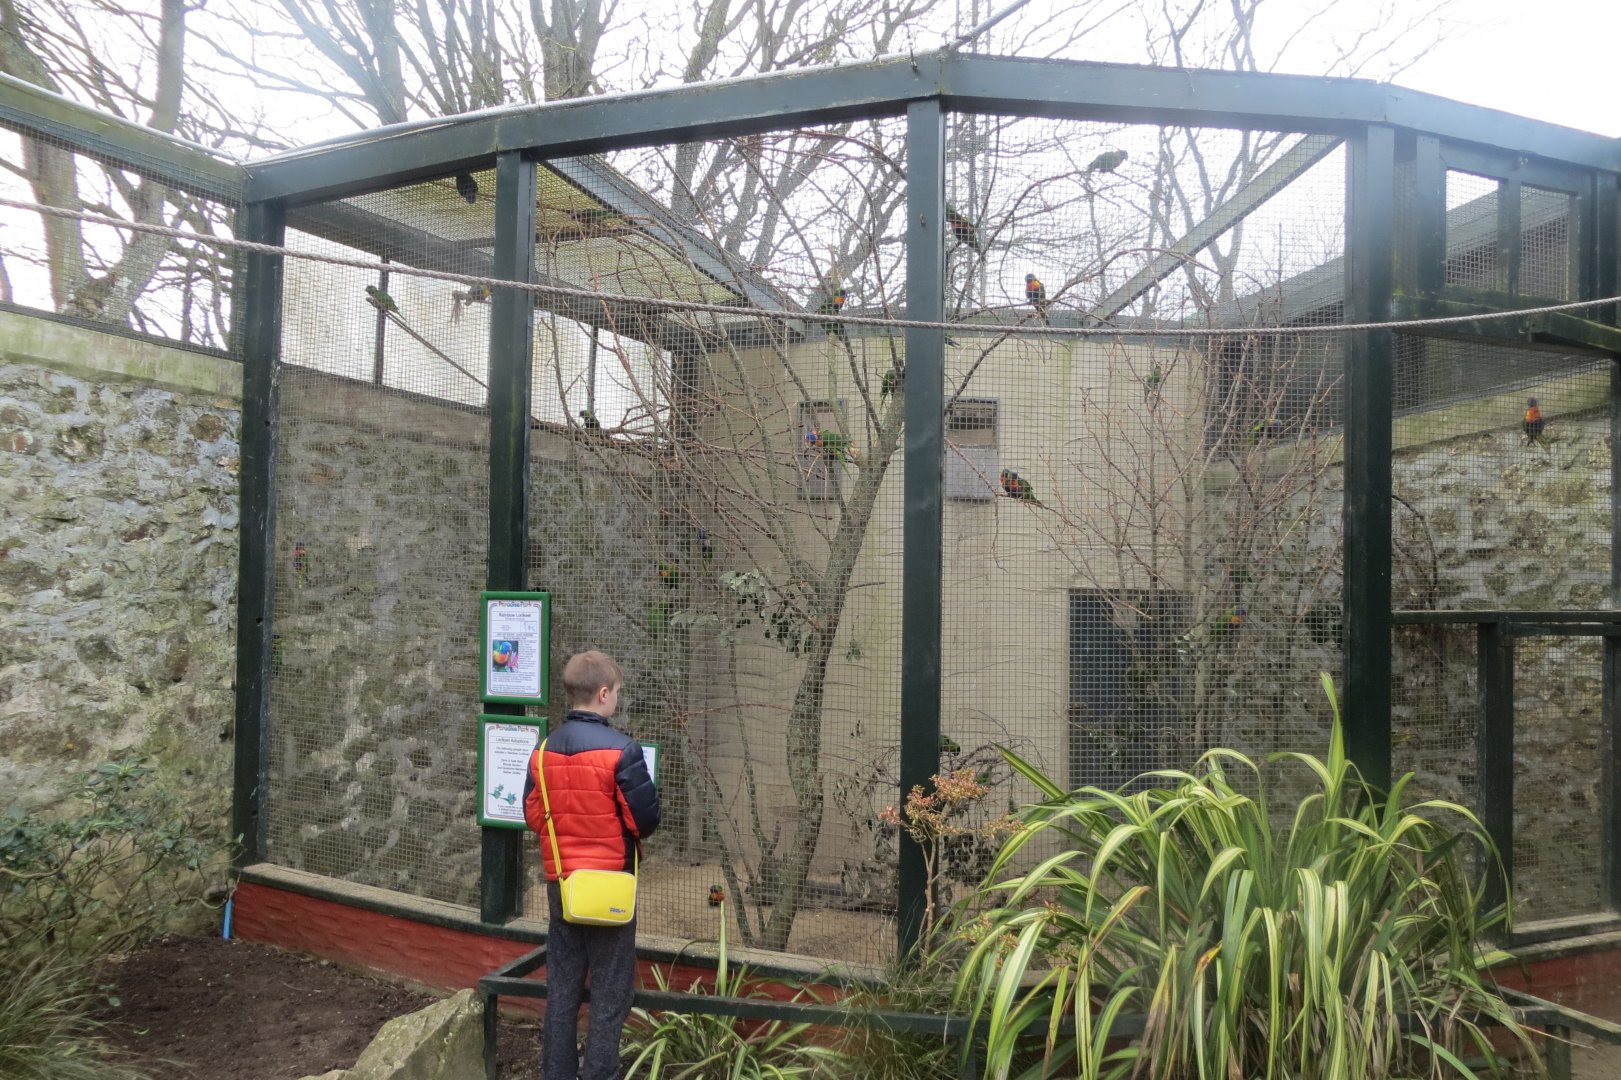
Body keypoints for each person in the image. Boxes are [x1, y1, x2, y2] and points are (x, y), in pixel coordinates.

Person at [523, 651, 660, 1080]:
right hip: (610, 887)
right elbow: (645, 820)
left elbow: (532, 814)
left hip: (562, 883)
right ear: (603, 694)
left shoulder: (542, 751)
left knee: (562, 987)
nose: (617, 698)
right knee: (610, 990)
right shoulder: (623, 751)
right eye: (616, 692)